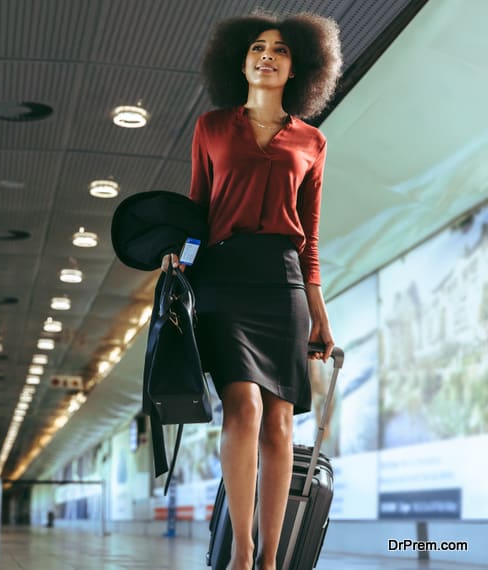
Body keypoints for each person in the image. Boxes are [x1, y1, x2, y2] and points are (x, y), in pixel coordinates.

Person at [160, 12, 341, 570]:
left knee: (281, 423)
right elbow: (195, 212)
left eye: (281, 51)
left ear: (297, 68)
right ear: (240, 62)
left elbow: (308, 237)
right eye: (258, 48)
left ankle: (270, 559)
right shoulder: (211, 127)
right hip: (222, 279)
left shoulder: (312, 142)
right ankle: (239, 554)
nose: (267, 56)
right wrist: (179, 269)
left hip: (282, 282)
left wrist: (319, 311)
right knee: (242, 407)